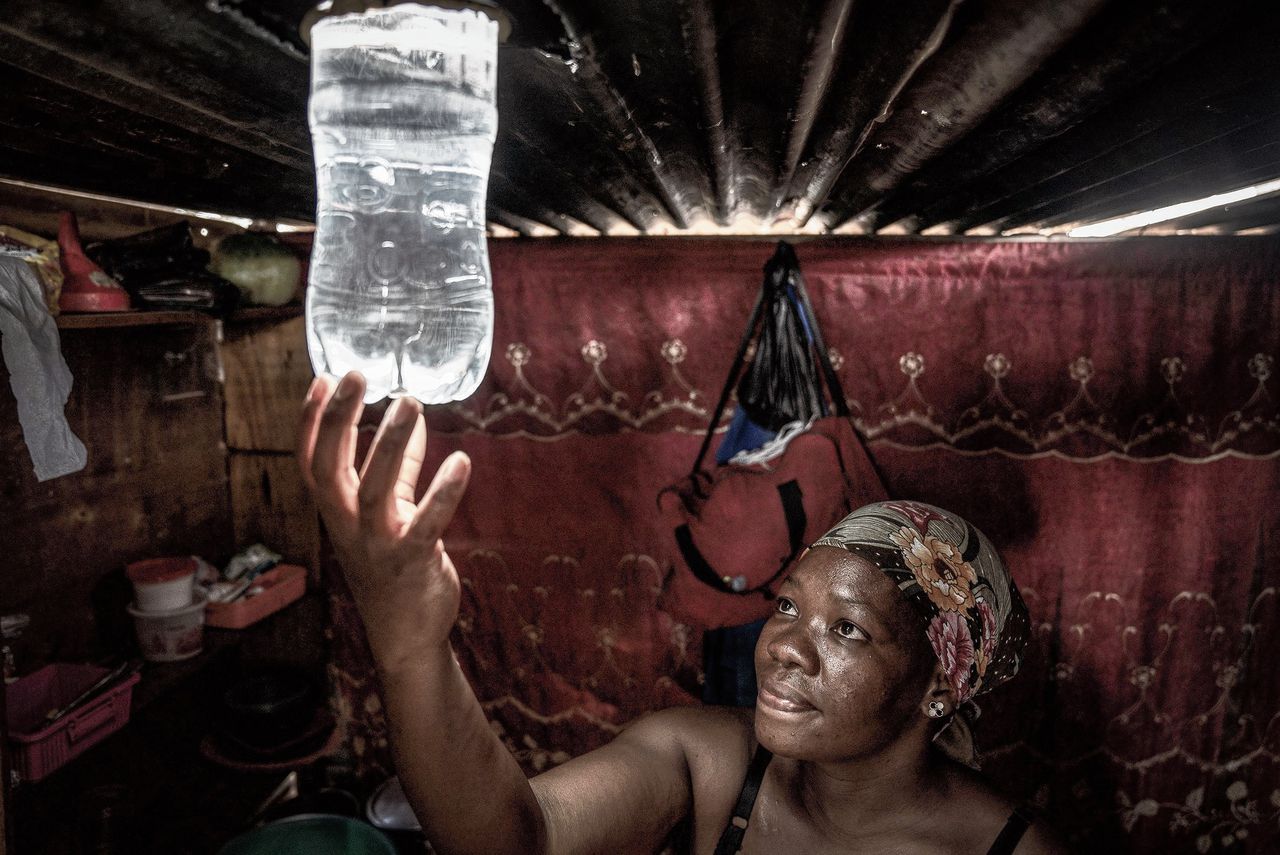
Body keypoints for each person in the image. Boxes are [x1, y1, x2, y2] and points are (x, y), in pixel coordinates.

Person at [298, 371, 1066, 855]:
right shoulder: (709, 764)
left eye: (846, 628)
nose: (784, 648)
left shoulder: (1011, 846)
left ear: (938, 683)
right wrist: (412, 643)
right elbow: (513, 838)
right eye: (788, 605)